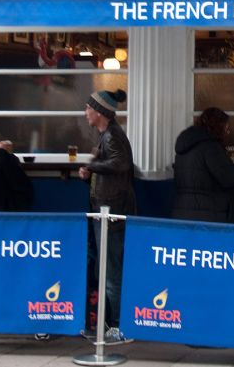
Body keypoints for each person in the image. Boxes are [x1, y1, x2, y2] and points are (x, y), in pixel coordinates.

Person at [77, 89, 135, 344]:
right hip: (107, 209)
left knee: (110, 271)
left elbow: (120, 164)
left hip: (111, 211)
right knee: (107, 270)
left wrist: (92, 166)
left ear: (100, 112)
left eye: (89, 108)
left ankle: (119, 326)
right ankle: (111, 323)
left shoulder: (112, 136)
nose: (85, 112)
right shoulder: (107, 135)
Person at [172, 107, 234, 223]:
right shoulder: (211, 147)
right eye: (226, 128)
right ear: (218, 126)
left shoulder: (184, 146)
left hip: (182, 213)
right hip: (208, 215)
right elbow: (230, 178)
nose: (228, 132)